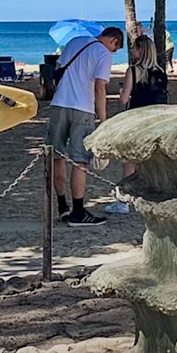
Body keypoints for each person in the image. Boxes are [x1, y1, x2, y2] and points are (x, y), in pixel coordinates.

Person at [50, 26, 123, 226]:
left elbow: (58, 70)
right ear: (114, 41)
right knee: (79, 160)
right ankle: (78, 211)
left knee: (56, 156)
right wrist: (103, 119)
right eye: (115, 49)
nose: (113, 53)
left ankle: (62, 206)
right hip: (82, 107)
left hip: (59, 104)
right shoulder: (103, 53)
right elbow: (100, 87)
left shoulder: (74, 42)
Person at [109, 34, 167, 214]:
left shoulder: (134, 71)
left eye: (134, 47)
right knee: (153, 160)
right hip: (157, 120)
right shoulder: (161, 73)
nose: (132, 51)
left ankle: (124, 201)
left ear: (142, 50)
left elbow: (124, 98)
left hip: (137, 119)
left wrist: (122, 90)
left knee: (129, 161)